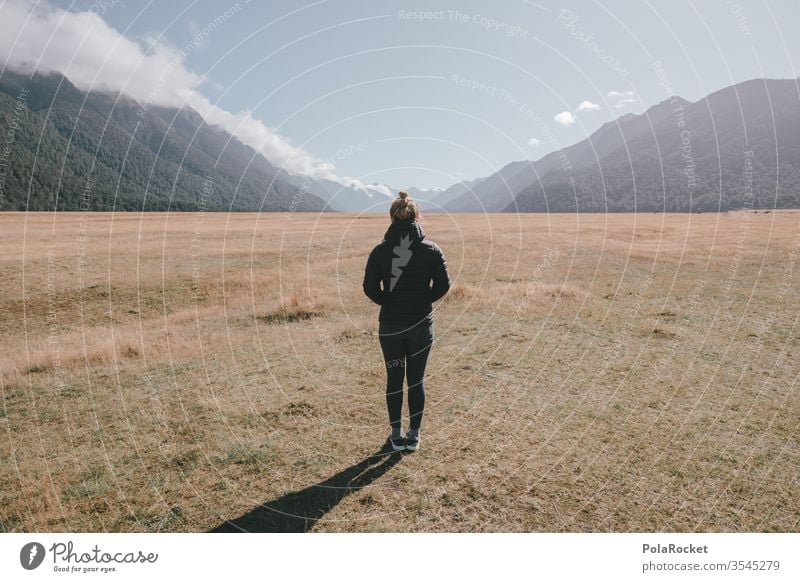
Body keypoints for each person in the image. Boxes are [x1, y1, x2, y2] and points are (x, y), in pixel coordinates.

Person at [362, 191, 451, 452]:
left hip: (390, 327)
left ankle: (396, 434)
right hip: (421, 326)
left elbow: (369, 287)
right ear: (416, 216)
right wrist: (424, 301)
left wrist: (387, 302)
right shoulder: (432, 250)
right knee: (416, 379)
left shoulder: (380, 251)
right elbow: (444, 285)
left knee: (393, 378)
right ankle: (414, 436)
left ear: (392, 217)